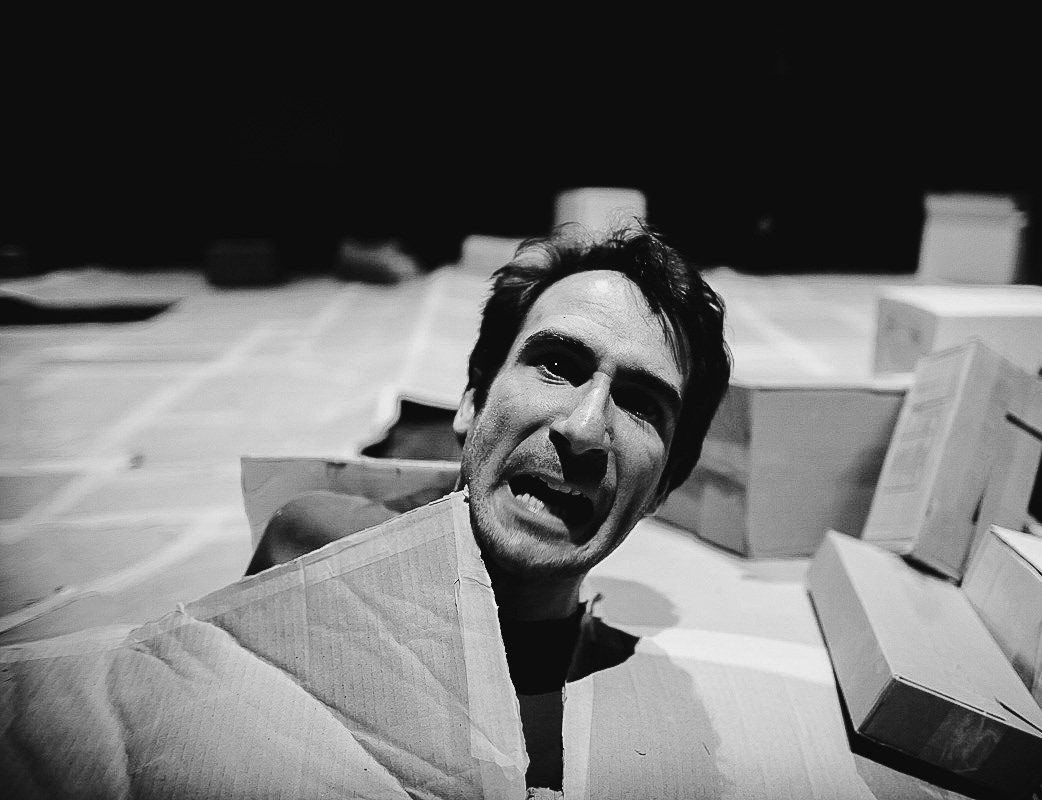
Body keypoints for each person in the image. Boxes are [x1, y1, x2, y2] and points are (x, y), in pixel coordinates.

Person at [246, 220, 731, 790]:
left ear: (663, 488)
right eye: (557, 366)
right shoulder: (314, 556)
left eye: (640, 404)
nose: (583, 429)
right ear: (472, 401)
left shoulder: (637, 735)